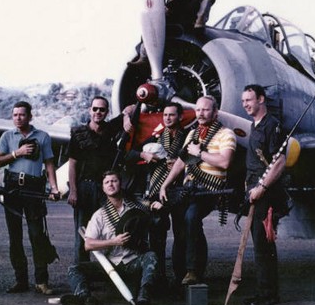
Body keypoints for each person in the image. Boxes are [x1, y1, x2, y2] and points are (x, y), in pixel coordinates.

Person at [159, 96, 236, 286]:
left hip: (209, 190)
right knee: (179, 223)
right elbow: (181, 161)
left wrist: (199, 153)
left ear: (215, 112)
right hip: (188, 189)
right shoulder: (192, 134)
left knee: (191, 218)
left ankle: (193, 271)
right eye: (198, 110)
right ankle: (180, 273)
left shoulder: (226, 134)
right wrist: (165, 184)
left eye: (206, 110)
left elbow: (225, 162)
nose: (201, 113)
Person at [0, 101, 60, 295]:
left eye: (22, 115)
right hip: (12, 188)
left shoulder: (43, 137)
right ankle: (20, 280)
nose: (18, 118)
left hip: (33, 187)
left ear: (30, 116)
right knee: (15, 237)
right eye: (14, 115)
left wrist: (54, 187)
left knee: (37, 235)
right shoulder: (7, 136)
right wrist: (17, 153)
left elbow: (49, 164)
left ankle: (41, 281)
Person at [64, 170, 158, 305]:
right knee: (74, 269)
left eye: (114, 181)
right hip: (109, 265)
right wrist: (114, 242)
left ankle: (144, 295)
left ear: (121, 184)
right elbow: (88, 245)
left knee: (151, 256)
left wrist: (156, 207)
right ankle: (84, 296)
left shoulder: (135, 207)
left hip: (132, 262)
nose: (111, 184)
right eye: (107, 182)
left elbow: (154, 217)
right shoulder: (100, 215)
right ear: (103, 188)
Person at [126, 102, 187, 283]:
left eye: (172, 115)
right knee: (157, 236)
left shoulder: (187, 138)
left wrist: (178, 163)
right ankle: (158, 276)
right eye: (165, 115)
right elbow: (129, 155)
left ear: (180, 117)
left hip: (178, 191)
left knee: (180, 235)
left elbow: (195, 161)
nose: (167, 118)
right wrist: (143, 155)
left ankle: (180, 277)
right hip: (156, 193)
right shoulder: (157, 137)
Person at [67, 96, 133, 264]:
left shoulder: (110, 128)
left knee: (110, 229)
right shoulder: (78, 133)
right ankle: (82, 272)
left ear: (107, 112)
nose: (98, 112)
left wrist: (125, 118)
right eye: (95, 109)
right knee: (82, 232)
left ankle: (111, 270)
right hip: (84, 188)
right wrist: (73, 191)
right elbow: (72, 164)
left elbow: (132, 107)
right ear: (90, 110)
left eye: (102, 109)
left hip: (106, 189)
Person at [241, 84, 288, 305]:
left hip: (265, 194)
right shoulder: (255, 125)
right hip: (254, 192)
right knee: (260, 245)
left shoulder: (273, 126)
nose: (245, 104)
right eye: (243, 101)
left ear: (261, 99)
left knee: (264, 245)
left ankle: (268, 296)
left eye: (249, 100)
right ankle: (265, 292)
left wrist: (261, 187)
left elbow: (279, 162)